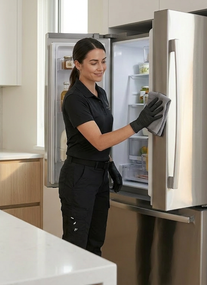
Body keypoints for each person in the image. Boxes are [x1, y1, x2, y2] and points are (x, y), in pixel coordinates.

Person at [59, 37, 163, 256]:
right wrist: (139, 123)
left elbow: (104, 135)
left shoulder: (100, 94)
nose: (101, 68)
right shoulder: (74, 99)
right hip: (79, 177)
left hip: (99, 175)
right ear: (78, 64)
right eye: (93, 62)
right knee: (76, 246)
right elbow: (98, 141)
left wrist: (110, 164)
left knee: (95, 243)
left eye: (103, 61)